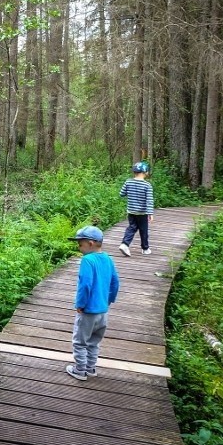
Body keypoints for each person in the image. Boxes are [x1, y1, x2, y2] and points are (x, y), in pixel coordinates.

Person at [66, 225, 120, 381]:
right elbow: (115, 283)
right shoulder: (108, 259)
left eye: (80, 243)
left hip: (89, 311)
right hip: (103, 311)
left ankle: (80, 370)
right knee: (94, 342)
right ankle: (91, 368)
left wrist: (80, 304)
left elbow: (85, 285)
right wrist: (109, 300)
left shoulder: (87, 260)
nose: (78, 246)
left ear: (90, 243)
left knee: (80, 341)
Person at [118, 161, 154, 256]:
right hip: (142, 213)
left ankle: (125, 244)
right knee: (143, 230)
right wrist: (150, 213)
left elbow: (121, 194)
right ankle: (145, 248)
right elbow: (149, 200)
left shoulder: (128, 182)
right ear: (145, 172)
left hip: (131, 211)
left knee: (132, 227)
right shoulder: (147, 185)